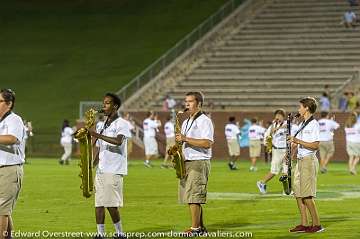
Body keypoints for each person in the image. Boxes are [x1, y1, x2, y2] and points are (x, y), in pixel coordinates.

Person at [89, 93, 131, 239]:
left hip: (114, 170)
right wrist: (92, 164)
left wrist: (97, 135)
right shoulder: (101, 125)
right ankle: (100, 234)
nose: (104, 106)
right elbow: (100, 148)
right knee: (99, 203)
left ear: (115, 106)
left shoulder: (122, 123)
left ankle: (120, 233)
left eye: (107, 103)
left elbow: (119, 141)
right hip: (101, 170)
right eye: (104, 103)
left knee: (111, 205)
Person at [176, 91, 214, 236]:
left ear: (199, 104)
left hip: (198, 161)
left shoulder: (204, 120)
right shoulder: (186, 121)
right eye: (186, 101)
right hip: (186, 161)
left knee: (193, 197)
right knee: (191, 197)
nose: (187, 104)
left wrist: (185, 139)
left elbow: (207, 143)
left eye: (190, 101)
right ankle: (201, 227)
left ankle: (195, 229)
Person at [288, 97, 324, 233]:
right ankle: (304, 224)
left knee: (307, 196)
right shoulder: (302, 123)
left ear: (307, 108)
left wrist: (297, 140)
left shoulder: (314, 124)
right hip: (300, 160)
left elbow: (315, 145)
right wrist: (290, 153)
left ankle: (317, 224)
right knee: (298, 193)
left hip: (309, 160)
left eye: (300, 107)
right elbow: (300, 143)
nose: (299, 109)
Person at [0, 89, 25, 239]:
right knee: (4, 210)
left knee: (1, 211)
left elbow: (12, 139)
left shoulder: (14, 119)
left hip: (9, 170)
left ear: (9, 104)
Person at [257, 109, 288, 194]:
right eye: (276, 115)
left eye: (280, 115)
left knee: (286, 171)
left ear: (283, 116)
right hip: (277, 150)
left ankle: (286, 190)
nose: (278, 117)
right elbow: (266, 137)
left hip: (286, 150)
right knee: (274, 171)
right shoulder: (272, 126)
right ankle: (262, 183)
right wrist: (267, 146)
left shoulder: (287, 124)